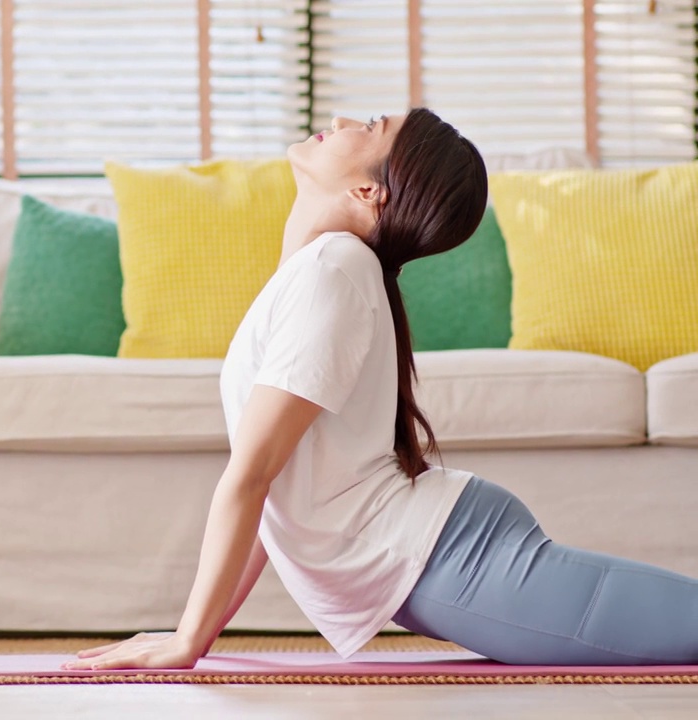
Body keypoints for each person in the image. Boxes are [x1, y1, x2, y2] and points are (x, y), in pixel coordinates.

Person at [63, 108, 698, 671]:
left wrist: (188, 641)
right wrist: (194, 634)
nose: (340, 120)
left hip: (452, 558)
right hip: (447, 549)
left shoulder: (333, 271)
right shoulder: (319, 272)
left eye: (369, 127)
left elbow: (251, 477)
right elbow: (269, 490)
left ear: (369, 189)